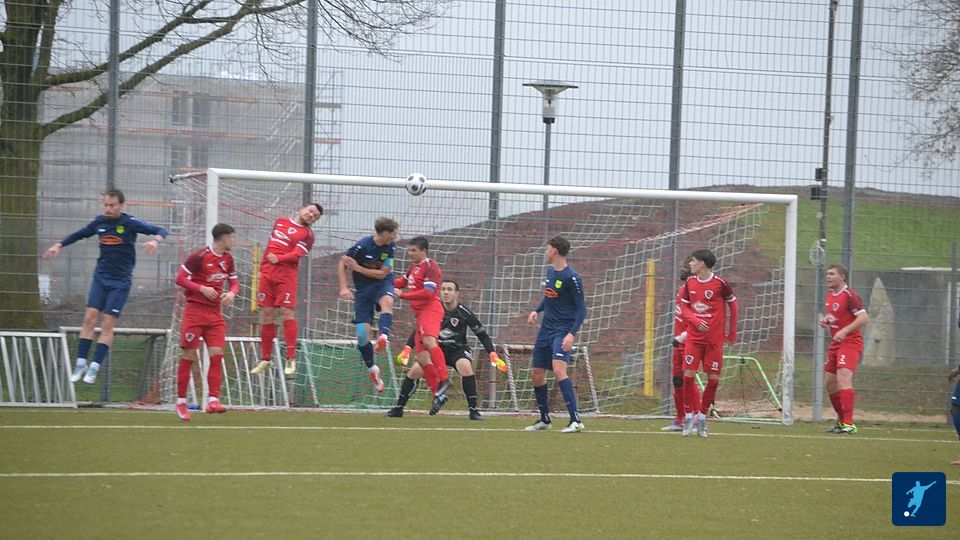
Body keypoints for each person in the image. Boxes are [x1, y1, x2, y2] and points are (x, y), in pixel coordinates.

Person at [42, 189, 168, 385]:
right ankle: (81, 364)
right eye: (106, 205)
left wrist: (155, 241)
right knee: (89, 319)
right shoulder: (99, 223)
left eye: (112, 205)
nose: (108, 209)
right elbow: (80, 234)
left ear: (121, 205)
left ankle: (94, 367)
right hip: (100, 279)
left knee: (107, 323)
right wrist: (58, 245)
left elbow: (161, 231)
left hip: (120, 282)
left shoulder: (130, 223)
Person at [386, 280, 507, 420]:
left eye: (449, 289)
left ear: (457, 293)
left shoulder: (464, 312)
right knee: (415, 370)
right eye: (443, 289)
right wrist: (407, 348)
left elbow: (482, 335)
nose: (445, 292)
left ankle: (473, 410)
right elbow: (419, 330)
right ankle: (399, 408)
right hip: (436, 349)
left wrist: (492, 353)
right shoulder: (432, 310)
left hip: (458, 350)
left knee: (466, 367)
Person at [173, 224, 239, 421]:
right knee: (189, 355)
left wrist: (231, 293)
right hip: (195, 312)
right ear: (223, 238)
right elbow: (180, 278)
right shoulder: (199, 256)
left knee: (217, 354)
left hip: (215, 315)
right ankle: (181, 402)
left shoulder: (228, 259)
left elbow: (234, 282)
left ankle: (213, 400)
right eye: (232, 237)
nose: (233, 241)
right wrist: (201, 288)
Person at [249, 202, 323, 377]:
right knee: (266, 314)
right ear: (302, 209)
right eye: (310, 211)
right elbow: (270, 245)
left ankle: (291, 357)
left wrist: (279, 259)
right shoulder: (280, 222)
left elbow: (297, 254)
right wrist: (262, 269)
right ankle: (266, 358)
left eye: (315, 216)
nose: (311, 216)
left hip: (286, 276)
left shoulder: (308, 235)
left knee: (286, 313)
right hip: (268, 274)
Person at [524, 236, 588, 433]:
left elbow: (582, 309)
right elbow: (549, 297)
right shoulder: (551, 272)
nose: (546, 252)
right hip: (546, 330)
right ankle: (544, 419)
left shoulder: (572, 278)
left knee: (559, 370)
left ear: (554, 251)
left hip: (562, 330)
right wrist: (537, 310)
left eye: (548, 249)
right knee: (537, 373)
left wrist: (571, 334)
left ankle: (575, 420)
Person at [679, 248, 738, 438]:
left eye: (693, 260)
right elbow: (684, 306)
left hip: (714, 341)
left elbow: (733, 305)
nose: (690, 264)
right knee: (688, 377)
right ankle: (689, 415)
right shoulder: (690, 282)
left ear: (702, 263)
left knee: (713, 381)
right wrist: (695, 320)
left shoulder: (721, 284)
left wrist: (732, 333)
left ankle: (703, 418)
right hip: (694, 339)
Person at [337, 217, 399, 392]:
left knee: (388, 301)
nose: (395, 236)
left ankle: (383, 336)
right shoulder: (362, 246)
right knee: (362, 335)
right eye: (393, 233)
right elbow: (342, 263)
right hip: (363, 291)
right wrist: (343, 287)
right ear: (384, 233)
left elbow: (382, 274)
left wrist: (358, 268)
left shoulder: (391, 247)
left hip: (382, 284)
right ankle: (373, 369)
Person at [393, 236, 453, 412]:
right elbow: (402, 282)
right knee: (422, 358)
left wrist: (403, 295)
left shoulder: (431, 267)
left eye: (414, 250)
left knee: (429, 341)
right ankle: (438, 395)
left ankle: (444, 379)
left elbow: (428, 293)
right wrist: (382, 283)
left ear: (424, 251)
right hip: (419, 314)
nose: (410, 254)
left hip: (431, 309)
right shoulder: (414, 267)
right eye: (409, 250)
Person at [818, 263, 869, 435]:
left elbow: (863, 318)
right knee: (830, 383)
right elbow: (837, 317)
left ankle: (849, 424)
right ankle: (841, 422)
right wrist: (827, 321)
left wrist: (845, 331)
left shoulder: (850, 295)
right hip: (836, 343)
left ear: (842, 277)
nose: (828, 277)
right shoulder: (830, 295)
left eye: (832, 274)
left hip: (850, 342)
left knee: (843, 378)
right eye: (827, 274)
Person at [662, 257, 700, 432]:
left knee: (688, 379)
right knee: (677, 380)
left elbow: (700, 319)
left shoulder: (697, 293)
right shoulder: (682, 290)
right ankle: (680, 418)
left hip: (690, 342)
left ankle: (697, 418)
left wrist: (684, 336)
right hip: (678, 344)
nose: (682, 270)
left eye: (686, 267)